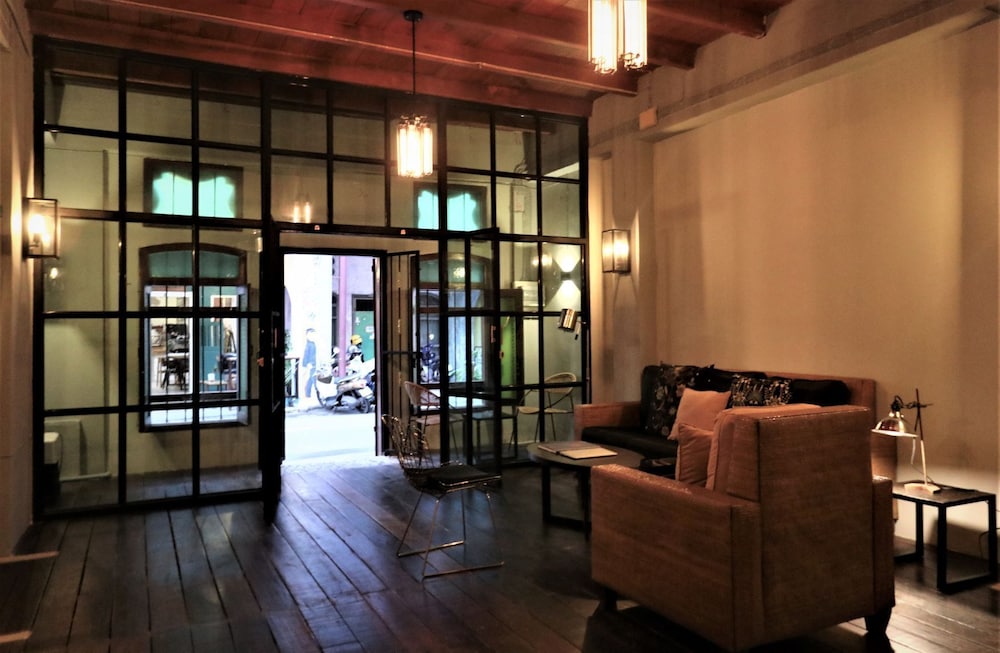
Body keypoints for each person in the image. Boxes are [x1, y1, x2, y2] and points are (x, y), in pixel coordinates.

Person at [302, 328, 317, 401]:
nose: (312, 336)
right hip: (310, 364)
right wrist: (308, 364)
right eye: (311, 334)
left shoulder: (311, 344)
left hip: (312, 363)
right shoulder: (309, 344)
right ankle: (308, 394)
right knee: (312, 378)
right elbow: (307, 355)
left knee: (311, 379)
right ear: (307, 335)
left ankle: (308, 394)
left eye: (313, 334)